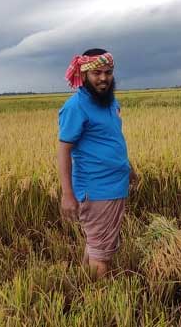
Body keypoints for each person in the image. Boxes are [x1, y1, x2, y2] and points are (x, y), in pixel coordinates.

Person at [57, 48, 138, 279]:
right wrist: (67, 194)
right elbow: (64, 150)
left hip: (114, 186)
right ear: (83, 74)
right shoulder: (76, 107)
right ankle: (97, 301)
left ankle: (84, 287)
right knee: (102, 256)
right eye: (97, 73)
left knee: (96, 245)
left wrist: (129, 168)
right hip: (96, 190)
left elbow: (112, 139)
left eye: (108, 72)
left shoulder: (109, 102)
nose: (103, 78)